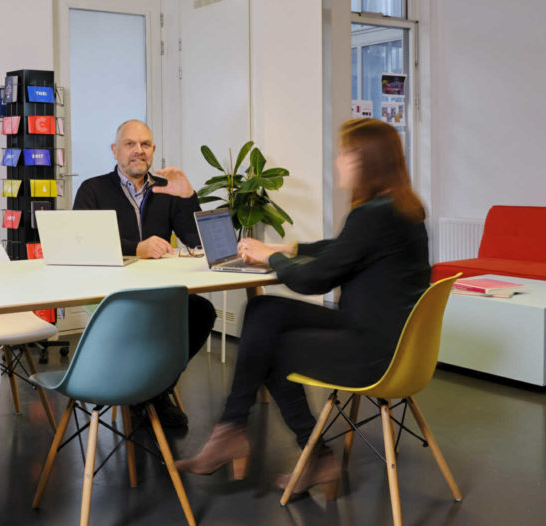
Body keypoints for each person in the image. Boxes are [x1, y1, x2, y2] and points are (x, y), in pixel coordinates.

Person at [175, 118, 430, 494]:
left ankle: (312, 455)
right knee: (264, 311)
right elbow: (341, 248)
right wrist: (285, 249)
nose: (338, 161)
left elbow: (313, 280)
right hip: (395, 343)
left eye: (345, 154)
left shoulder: (373, 214)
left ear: (367, 161)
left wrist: (270, 259)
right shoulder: (400, 209)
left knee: (270, 348)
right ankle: (231, 431)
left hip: (374, 353)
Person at [73, 119, 217, 428]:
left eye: (146, 144)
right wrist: (135, 248)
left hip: (158, 293)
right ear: (115, 151)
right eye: (130, 144)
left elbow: (197, 241)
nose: (139, 150)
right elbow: (82, 245)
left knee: (202, 311)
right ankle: (150, 395)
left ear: (153, 150)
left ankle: (153, 392)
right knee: (144, 321)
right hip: (111, 297)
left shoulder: (166, 189)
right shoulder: (93, 189)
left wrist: (188, 195)